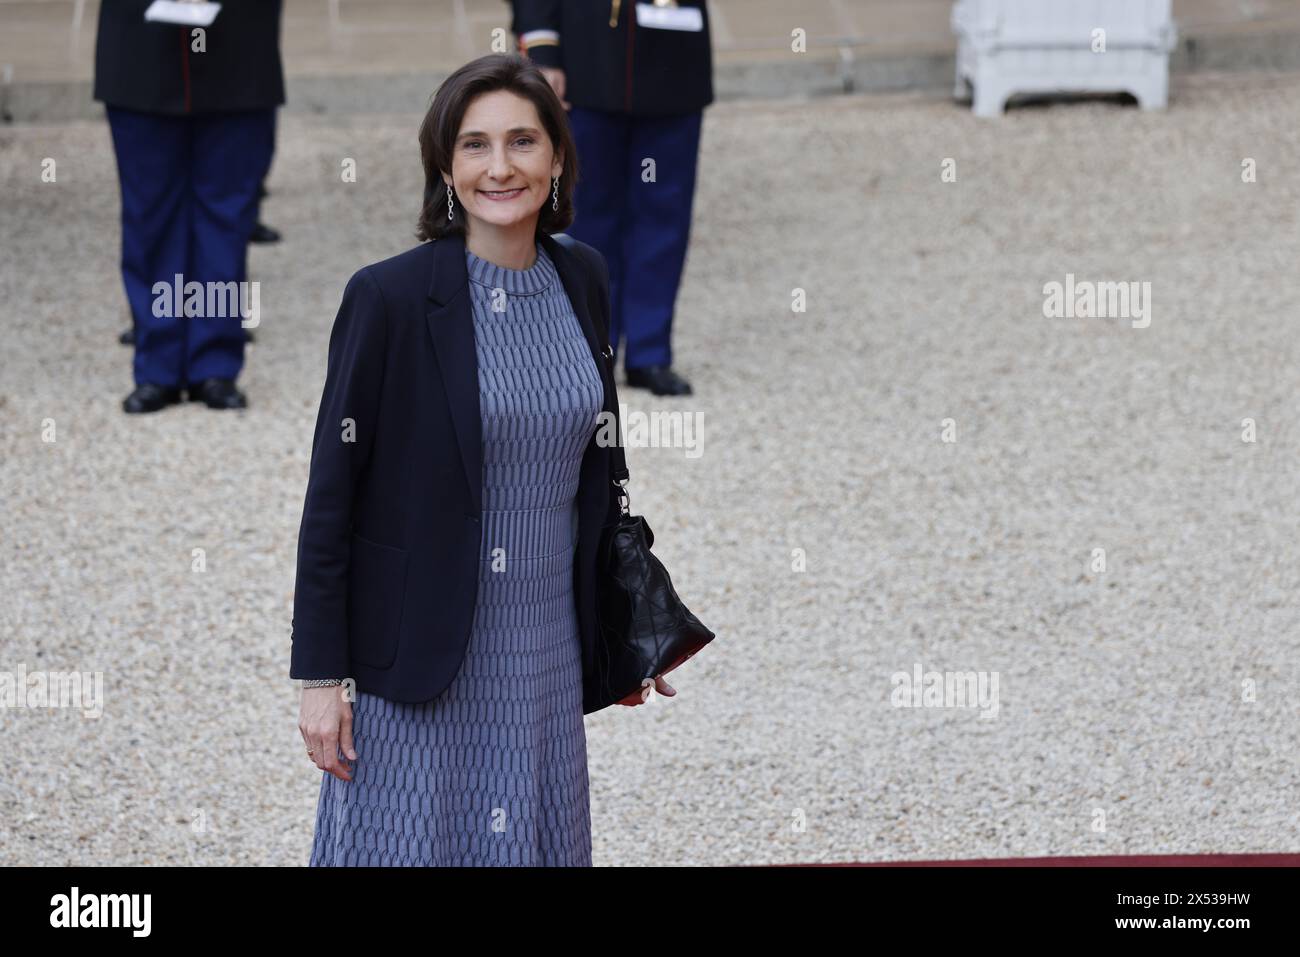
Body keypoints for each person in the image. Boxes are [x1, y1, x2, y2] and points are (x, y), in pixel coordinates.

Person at [291, 54, 676, 867]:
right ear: (444, 166)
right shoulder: (389, 297)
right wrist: (320, 677)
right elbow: (333, 496)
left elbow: (600, 467)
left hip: (543, 648)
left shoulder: (583, 276)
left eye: (522, 142)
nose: (500, 166)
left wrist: (625, 624)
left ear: (558, 158)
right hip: (422, 657)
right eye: (474, 146)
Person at [509, 0, 713, 396]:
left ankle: (649, 352)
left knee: (664, 216)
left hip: (672, 64)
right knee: (582, 217)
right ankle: (584, 350)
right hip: (586, 62)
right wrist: (542, 49)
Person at [93, 0, 283, 412]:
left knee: (226, 222)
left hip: (236, 50)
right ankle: (157, 364)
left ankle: (214, 363)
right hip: (141, 53)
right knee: (150, 219)